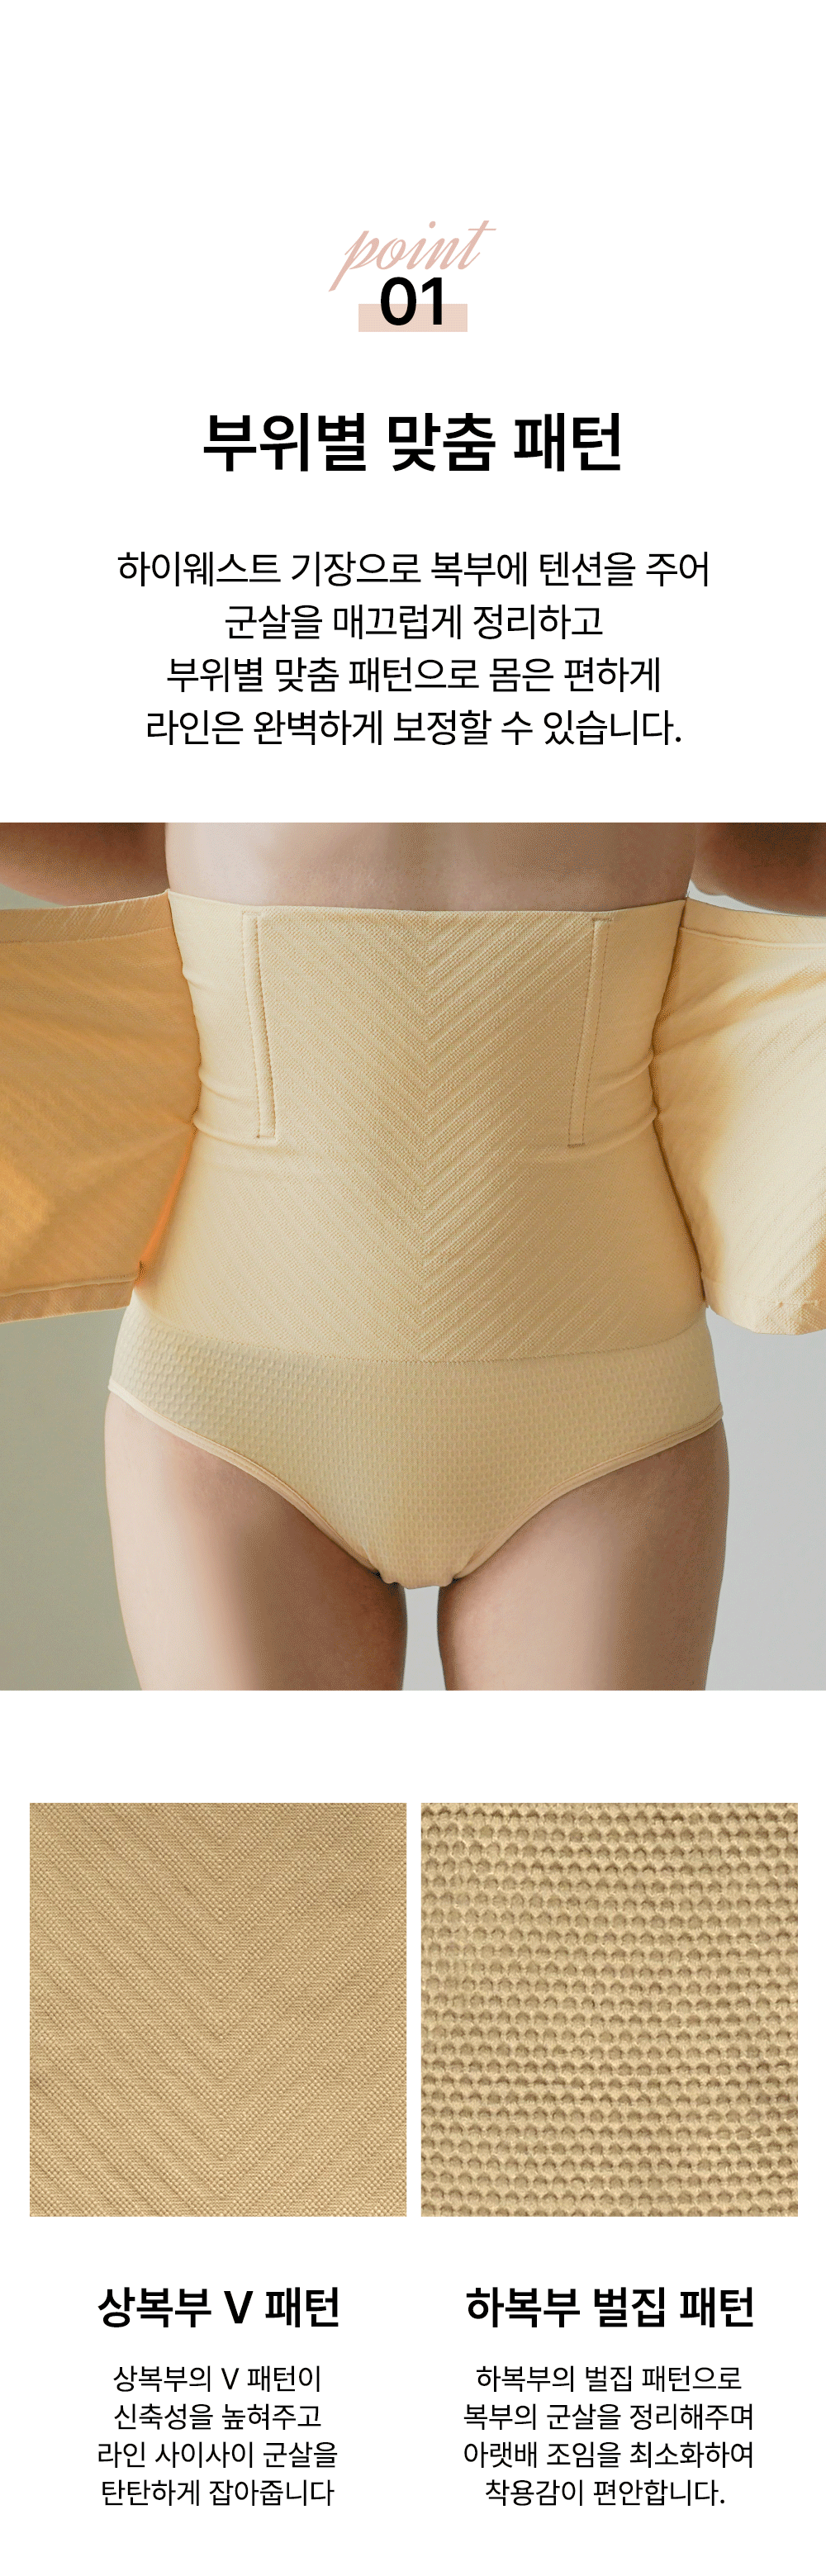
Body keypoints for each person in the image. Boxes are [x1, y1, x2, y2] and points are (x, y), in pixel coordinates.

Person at [2, 821, 824, 1691]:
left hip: (603, 1419)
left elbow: (749, 843)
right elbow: (139, 833)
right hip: (230, 1408)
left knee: (580, 1800)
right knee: (275, 1800)